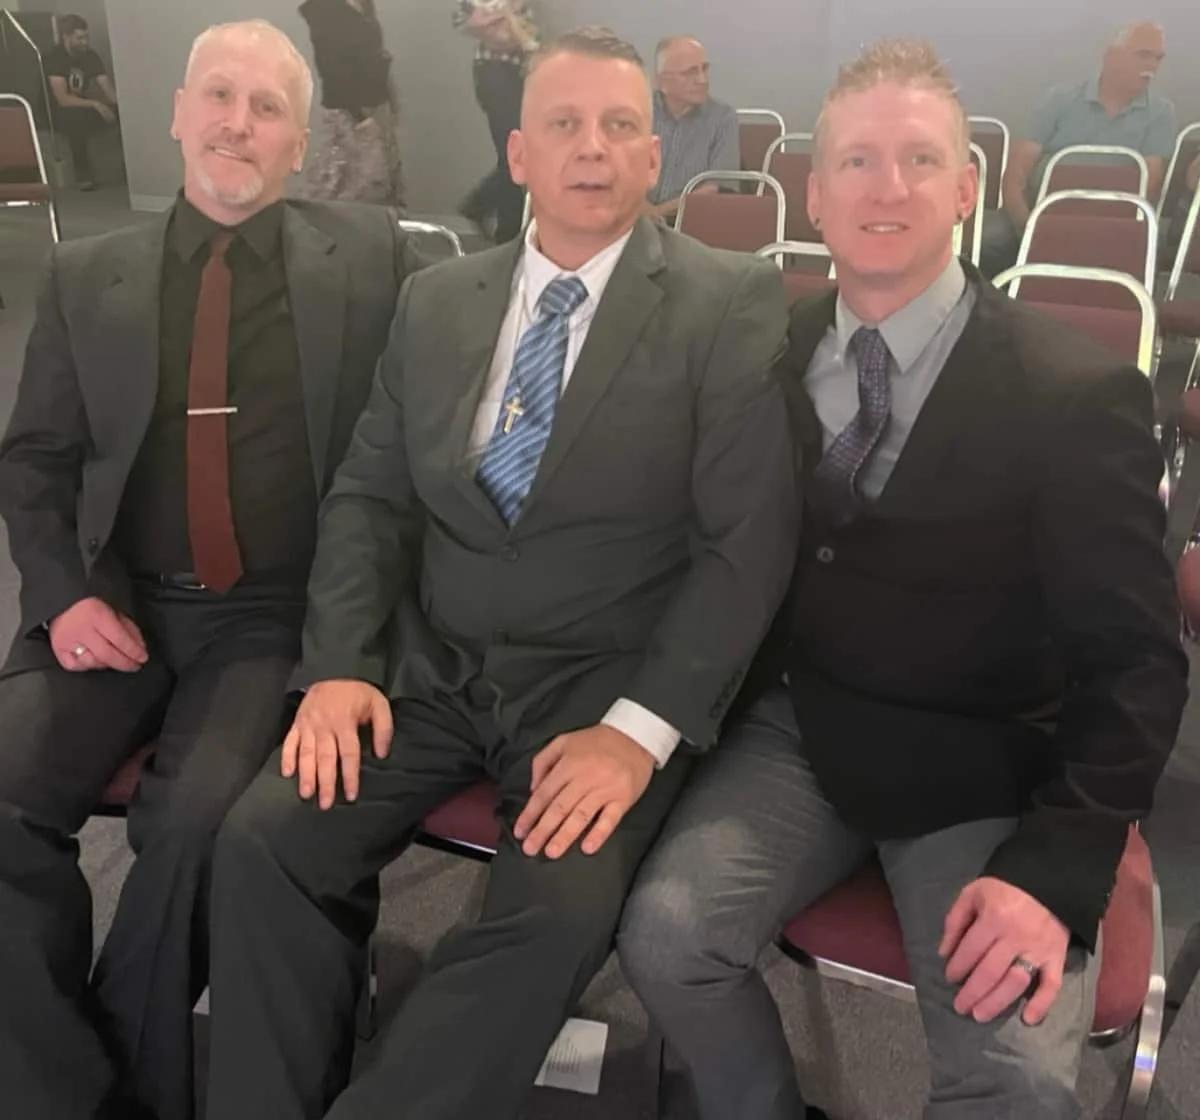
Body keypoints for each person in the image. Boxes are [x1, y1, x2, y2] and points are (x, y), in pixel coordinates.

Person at [202, 25, 797, 1120]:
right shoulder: (437, 299)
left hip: (598, 693)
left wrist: (638, 733)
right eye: (563, 123)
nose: (592, 147)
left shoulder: (727, 303)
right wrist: (339, 664)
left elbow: (743, 546)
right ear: (518, 153)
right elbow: (369, 497)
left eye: (619, 125)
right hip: (426, 670)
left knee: (551, 917)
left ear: (653, 155)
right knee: (263, 844)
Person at [619, 37, 1188, 1120]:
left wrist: (1055, 864)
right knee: (667, 939)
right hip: (803, 728)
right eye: (857, 162)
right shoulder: (772, 350)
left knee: (1017, 1081)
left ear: (967, 187)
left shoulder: (1073, 393)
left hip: (986, 764)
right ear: (815, 194)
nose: (887, 188)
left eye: (920, 160)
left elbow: (1138, 665)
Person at [0, 19, 422, 1120]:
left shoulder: (371, 262)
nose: (239, 123)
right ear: (179, 114)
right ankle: (69, 1093)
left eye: (268, 107)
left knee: (193, 829)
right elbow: (35, 462)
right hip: (115, 603)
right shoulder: (86, 274)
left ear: (299, 145)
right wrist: (63, 596)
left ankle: (137, 1090)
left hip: (270, 617)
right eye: (220, 97)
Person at [980, 21, 1176, 277]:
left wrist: (1093, 233)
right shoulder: (1059, 99)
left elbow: (1149, 185)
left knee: (1150, 251)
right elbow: (1016, 173)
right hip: (1037, 212)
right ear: (1112, 55)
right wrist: (1027, 225)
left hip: (1112, 221)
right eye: (1143, 55)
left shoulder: (1161, 113)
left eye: (1158, 59)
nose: (1152, 66)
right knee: (987, 244)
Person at [298, 0, 404, 206]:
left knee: (385, 182)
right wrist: (360, 116)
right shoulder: (323, 9)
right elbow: (331, 69)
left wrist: (391, 101)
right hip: (348, 113)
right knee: (353, 186)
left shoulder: (364, 5)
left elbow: (376, 55)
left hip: (377, 107)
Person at [454, 0, 540, 241]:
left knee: (517, 152)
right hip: (494, 74)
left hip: (519, 75)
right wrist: (503, 19)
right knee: (512, 154)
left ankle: (480, 207)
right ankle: (505, 229)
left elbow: (526, 40)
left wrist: (500, 21)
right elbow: (466, 23)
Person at [647, 36, 740, 224]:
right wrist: (642, 211)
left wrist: (657, 213)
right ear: (662, 81)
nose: (702, 80)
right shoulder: (639, 111)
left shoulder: (722, 118)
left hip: (693, 221)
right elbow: (619, 172)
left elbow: (714, 187)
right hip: (632, 219)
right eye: (690, 72)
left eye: (704, 69)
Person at [43, 13, 120, 190]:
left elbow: (107, 88)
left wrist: (120, 107)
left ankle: (130, 166)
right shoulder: (54, 58)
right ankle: (82, 174)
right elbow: (62, 99)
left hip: (82, 106)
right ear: (66, 37)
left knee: (116, 112)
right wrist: (96, 104)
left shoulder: (90, 56)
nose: (85, 42)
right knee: (75, 118)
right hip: (55, 111)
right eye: (80, 38)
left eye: (86, 37)